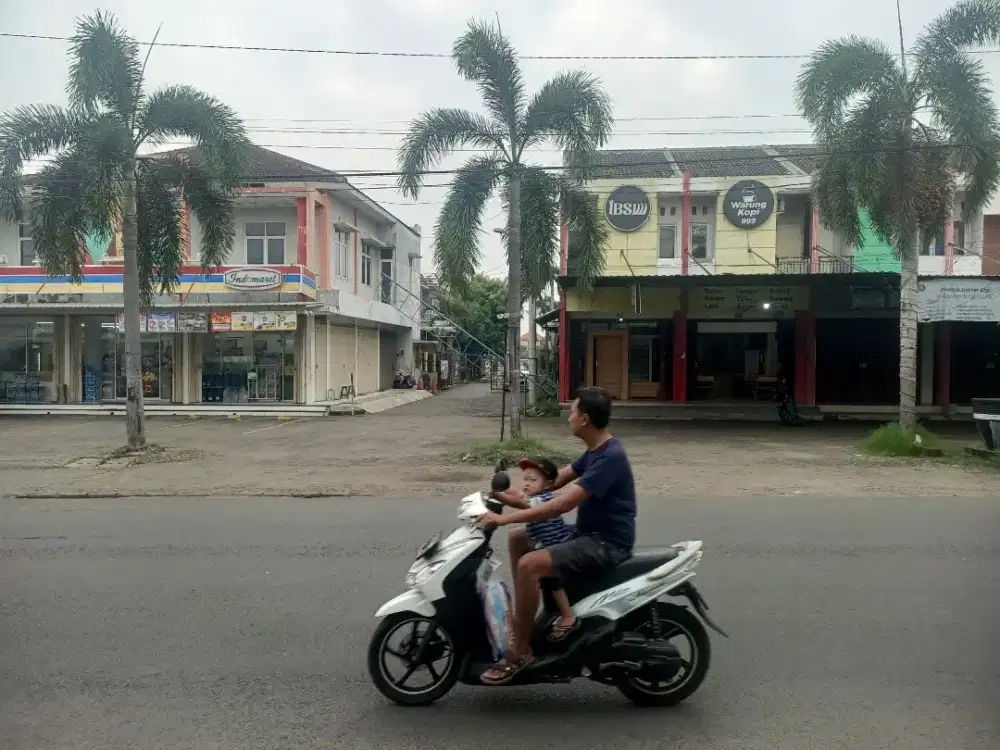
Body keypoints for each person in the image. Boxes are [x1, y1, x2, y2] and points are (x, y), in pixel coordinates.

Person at [476, 386, 636, 685]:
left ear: (585, 419)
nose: (569, 416)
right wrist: (509, 492)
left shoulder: (610, 457)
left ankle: (521, 651)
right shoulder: (594, 451)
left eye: (573, 411)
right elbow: (552, 483)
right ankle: (528, 610)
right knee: (518, 539)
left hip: (607, 542)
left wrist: (502, 518)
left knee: (529, 564)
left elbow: (560, 505)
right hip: (589, 533)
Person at [489, 456, 579, 642]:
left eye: (533, 480)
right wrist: (502, 488)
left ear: (547, 485)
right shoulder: (533, 495)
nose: (527, 484)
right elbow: (517, 494)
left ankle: (568, 615)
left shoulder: (541, 500)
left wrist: (499, 496)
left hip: (556, 546)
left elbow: (519, 504)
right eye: (526, 479)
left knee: (553, 583)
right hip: (543, 543)